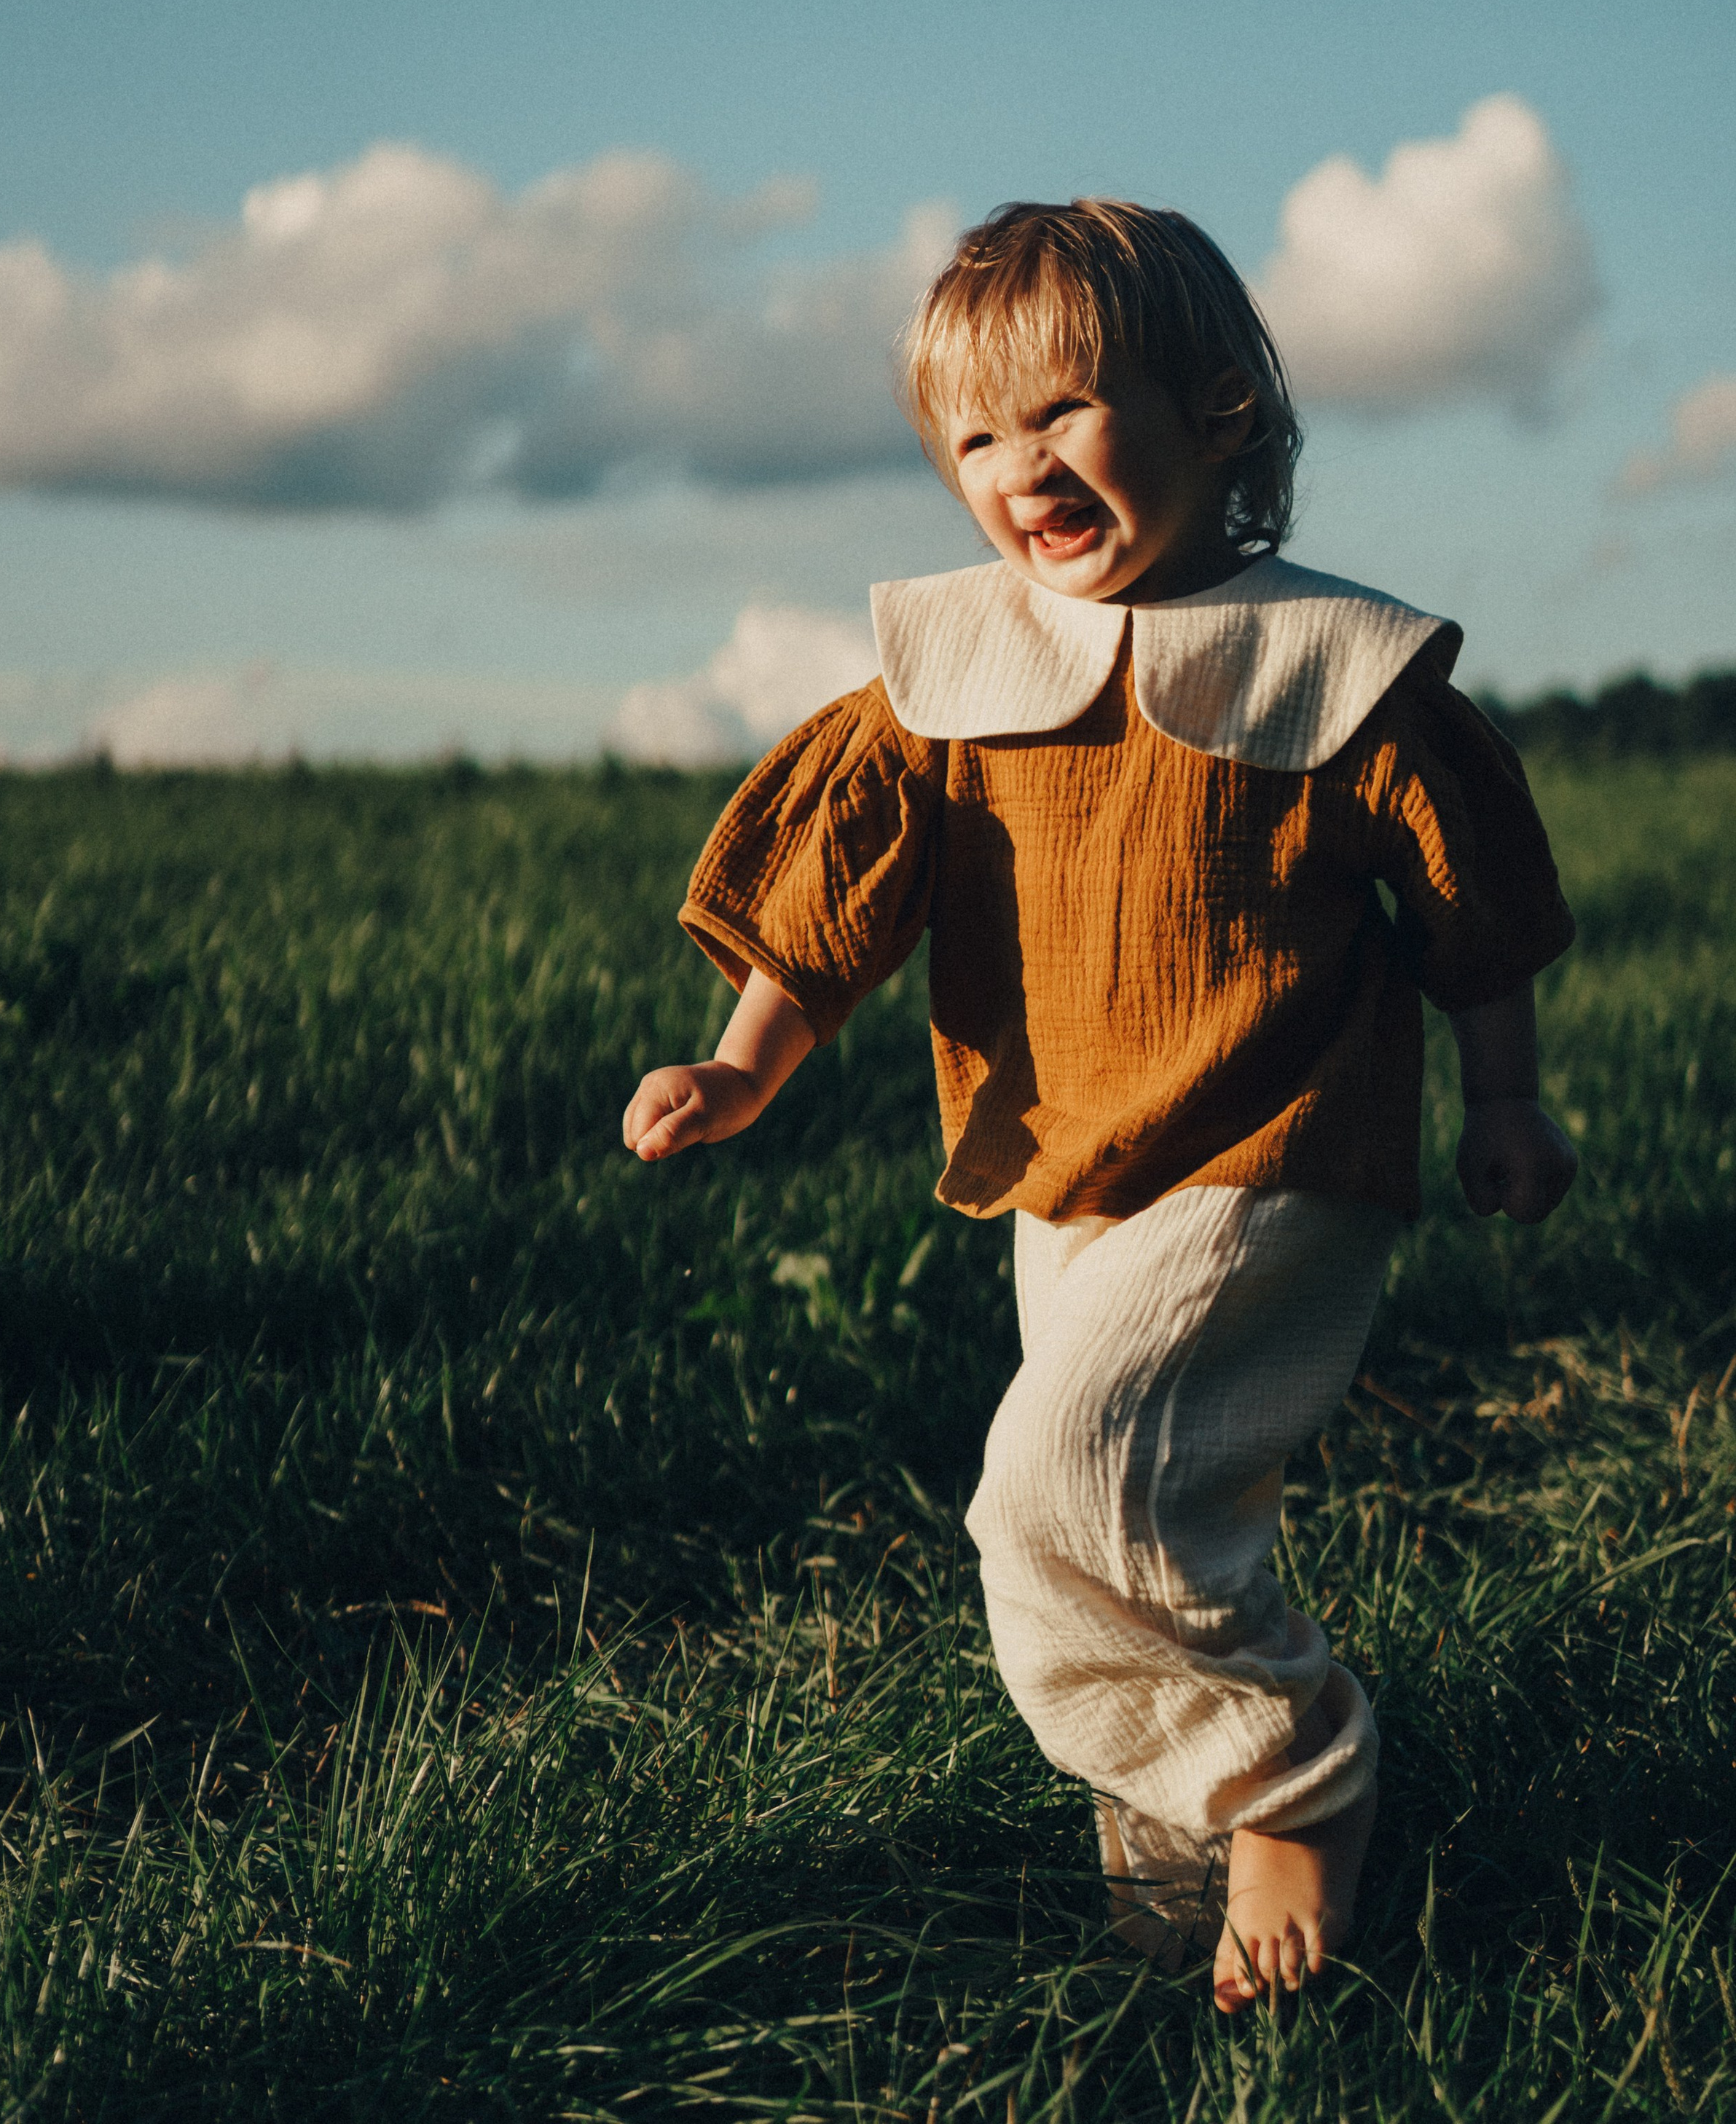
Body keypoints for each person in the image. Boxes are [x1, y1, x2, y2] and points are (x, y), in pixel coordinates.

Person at [622, 200, 1576, 2011]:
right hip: (1064, 1173)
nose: (1014, 465)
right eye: (972, 436)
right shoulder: (952, 679)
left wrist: (1504, 1103)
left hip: (1276, 1154)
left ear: (1217, 411)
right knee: (1141, 1527)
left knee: (1060, 1489)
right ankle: (1170, 1899)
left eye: (1060, 412)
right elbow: (845, 888)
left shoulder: (1334, 668)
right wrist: (745, 1059)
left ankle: (1294, 1776)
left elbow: (1471, 903)